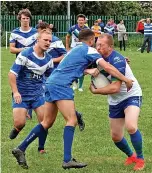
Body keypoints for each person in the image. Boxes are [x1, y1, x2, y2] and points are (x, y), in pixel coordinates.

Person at [11, 29, 133, 170]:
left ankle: (21, 148)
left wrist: (121, 59)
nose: (96, 46)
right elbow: (107, 66)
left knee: (47, 122)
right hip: (61, 85)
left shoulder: (75, 50)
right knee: (72, 120)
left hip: (50, 83)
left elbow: (92, 63)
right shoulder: (89, 50)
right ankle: (67, 159)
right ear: (92, 39)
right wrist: (126, 80)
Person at [89, 33, 144, 171]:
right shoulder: (96, 57)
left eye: (101, 45)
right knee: (116, 136)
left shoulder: (117, 59)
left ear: (111, 47)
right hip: (115, 100)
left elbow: (115, 87)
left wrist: (96, 91)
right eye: (97, 45)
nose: (98, 47)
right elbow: (77, 66)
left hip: (131, 95)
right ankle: (131, 156)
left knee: (131, 126)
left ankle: (140, 159)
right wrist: (88, 70)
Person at [8, 29, 54, 155]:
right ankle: (17, 129)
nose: (48, 43)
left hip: (38, 94)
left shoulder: (49, 59)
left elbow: (52, 77)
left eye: (50, 41)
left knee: (45, 122)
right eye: (45, 40)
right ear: (37, 40)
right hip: (21, 94)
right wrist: (16, 92)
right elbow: (12, 74)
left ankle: (41, 147)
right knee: (20, 122)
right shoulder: (25, 55)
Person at [37, 22, 85, 131]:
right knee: (48, 96)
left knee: (53, 97)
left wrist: (50, 61)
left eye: (40, 30)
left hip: (54, 74)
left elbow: (64, 55)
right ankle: (74, 115)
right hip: (42, 72)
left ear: (47, 30)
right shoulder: (38, 40)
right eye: (39, 31)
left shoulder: (56, 41)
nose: (39, 32)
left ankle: (72, 116)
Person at [9, 9, 38, 119]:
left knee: (31, 85)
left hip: (32, 63)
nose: (25, 20)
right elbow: (11, 49)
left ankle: (28, 112)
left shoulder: (35, 32)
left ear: (29, 19)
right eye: (23, 18)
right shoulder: (15, 33)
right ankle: (18, 106)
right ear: (19, 20)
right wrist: (23, 50)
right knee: (17, 85)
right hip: (19, 63)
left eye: (27, 18)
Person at [66, 14, 89, 92]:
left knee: (82, 67)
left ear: (84, 21)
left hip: (83, 50)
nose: (81, 21)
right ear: (77, 21)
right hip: (74, 50)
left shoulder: (87, 29)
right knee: (73, 67)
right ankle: (75, 83)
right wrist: (67, 47)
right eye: (79, 20)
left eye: (82, 20)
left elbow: (89, 39)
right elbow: (67, 37)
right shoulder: (72, 28)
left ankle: (80, 86)